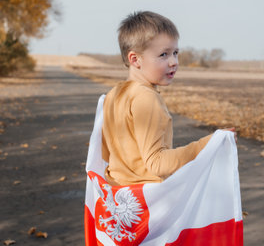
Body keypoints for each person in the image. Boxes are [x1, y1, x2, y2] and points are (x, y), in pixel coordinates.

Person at [101, 11, 235, 186]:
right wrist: (208, 144)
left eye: (175, 53)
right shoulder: (146, 98)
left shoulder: (114, 94)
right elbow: (157, 164)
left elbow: (105, 153)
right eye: (164, 54)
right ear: (135, 59)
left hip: (120, 197)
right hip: (148, 201)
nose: (174, 62)